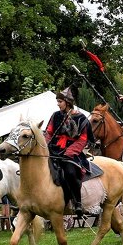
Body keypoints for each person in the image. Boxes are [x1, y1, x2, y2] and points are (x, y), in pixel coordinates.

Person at [44, 87, 94, 216]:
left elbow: (83, 139)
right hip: (53, 149)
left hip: (70, 153)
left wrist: (70, 151)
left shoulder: (81, 118)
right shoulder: (55, 115)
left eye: (60, 101)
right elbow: (49, 133)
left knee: (70, 172)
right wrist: (45, 146)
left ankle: (77, 202)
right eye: (58, 101)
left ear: (67, 102)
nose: (58, 104)